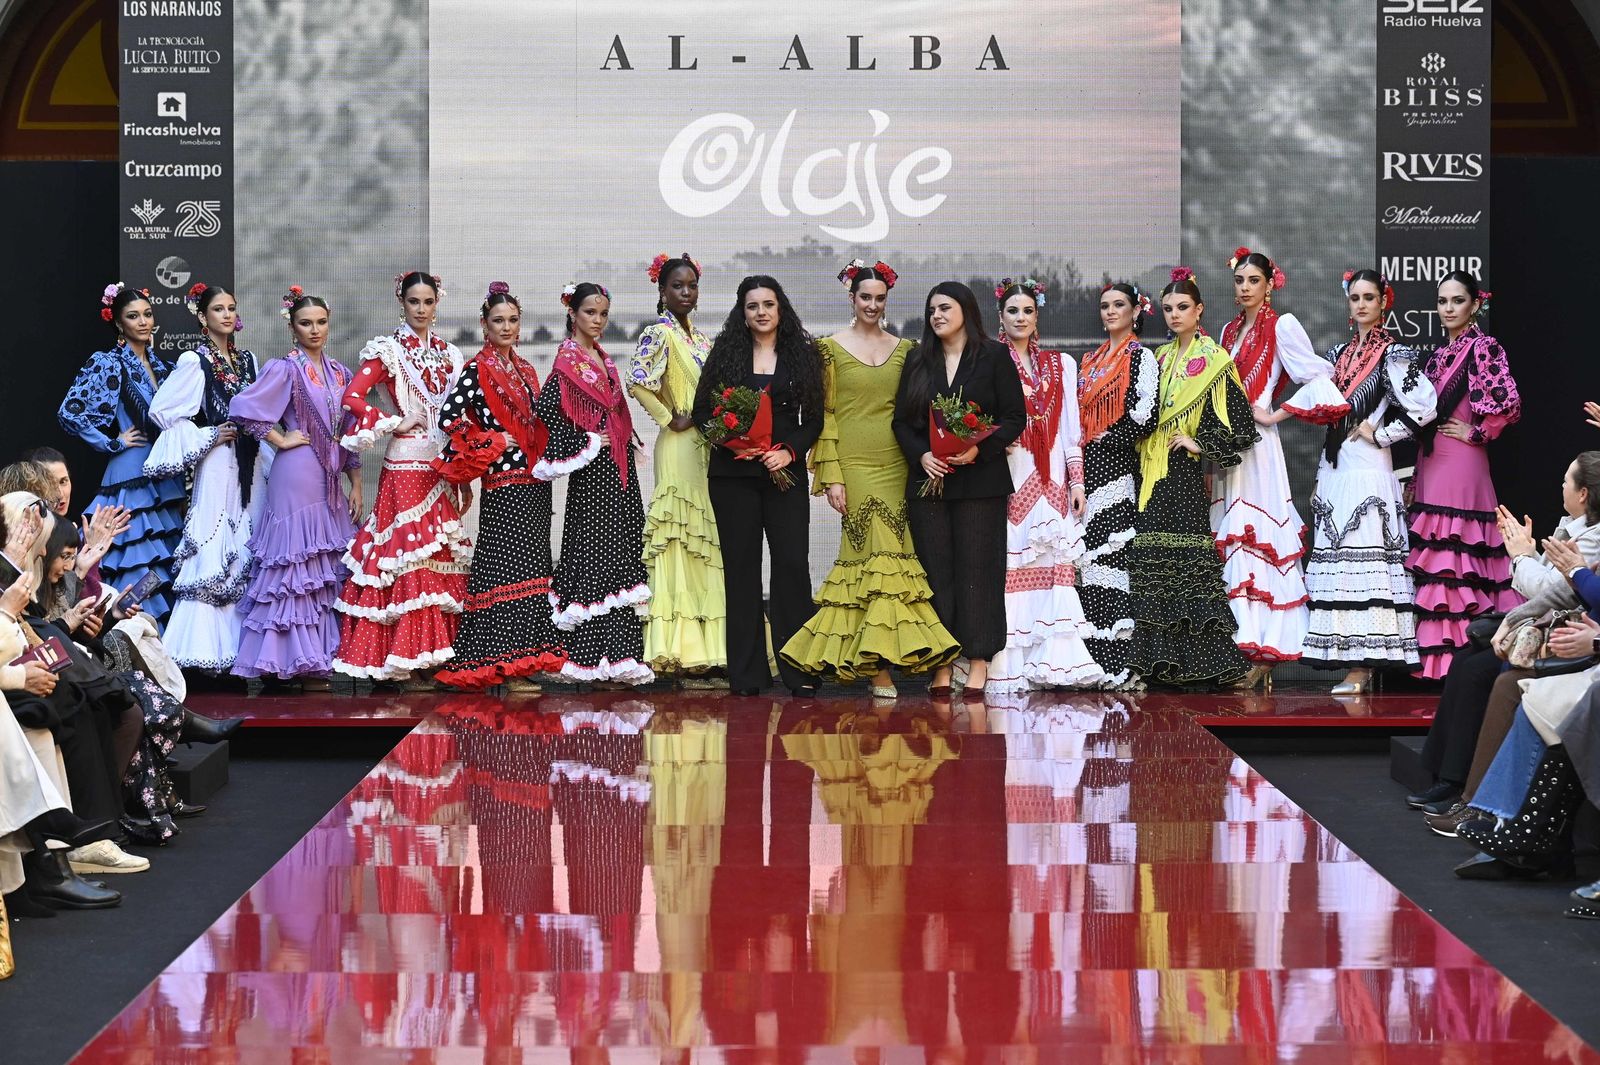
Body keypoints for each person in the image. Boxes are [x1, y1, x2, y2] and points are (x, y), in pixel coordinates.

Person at [781, 260, 957, 696]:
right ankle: (877, 669)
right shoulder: (829, 350)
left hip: (899, 464)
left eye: (880, 298)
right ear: (851, 298)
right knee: (872, 561)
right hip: (854, 466)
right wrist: (833, 474)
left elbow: (917, 411)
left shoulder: (907, 349)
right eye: (865, 298)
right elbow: (824, 415)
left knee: (897, 562)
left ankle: (899, 660)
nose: (873, 305)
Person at [1409, 453, 1600, 826]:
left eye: (1566, 482)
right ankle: (1449, 778)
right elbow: (1550, 590)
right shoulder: (1575, 526)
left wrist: (1520, 559)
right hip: (1557, 627)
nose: (1560, 487)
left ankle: (1474, 798)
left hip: (1567, 635)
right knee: (1467, 660)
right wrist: (1527, 563)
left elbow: (1553, 591)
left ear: (1584, 493)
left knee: (1495, 678)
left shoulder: (1592, 538)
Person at [1283, 270, 1438, 692]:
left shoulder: (1394, 354)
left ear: (1384, 301)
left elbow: (1424, 408)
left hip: (1370, 470)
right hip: (1337, 468)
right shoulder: (1337, 354)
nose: (1362, 304)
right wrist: (1320, 473)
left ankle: (1364, 666)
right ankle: (1347, 657)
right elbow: (1328, 413)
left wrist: (1382, 433)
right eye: (1356, 297)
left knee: (1366, 559)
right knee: (1340, 560)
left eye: (1370, 297)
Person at [891, 279, 1043, 695]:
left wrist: (981, 450)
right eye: (931, 310)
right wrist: (921, 455)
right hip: (931, 481)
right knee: (936, 573)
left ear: (965, 311)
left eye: (944, 308)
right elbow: (902, 422)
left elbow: (1014, 416)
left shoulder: (993, 356)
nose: (936, 316)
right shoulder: (918, 358)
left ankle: (978, 664)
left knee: (979, 572)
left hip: (980, 482)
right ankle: (940, 665)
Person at [334, 271, 471, 685]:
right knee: (408, 555)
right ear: (402, 302)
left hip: (441, 466)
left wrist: (465, 461)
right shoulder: (387, 350)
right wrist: (393, 420)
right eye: (414, 302)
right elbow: (351, 397)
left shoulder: (450, 353)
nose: (422, 310)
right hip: (406, 464)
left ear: (437, 302)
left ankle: (433, 657)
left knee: (437, 555)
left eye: (428, 302)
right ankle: (406, 659)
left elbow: (458, 412)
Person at [691, 276, 824, 695]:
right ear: (742, 313)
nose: (761, 312)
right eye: (752, 306)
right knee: (742, 572)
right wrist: (735, 443)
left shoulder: (803, 354)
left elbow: (815, 419)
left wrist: (789, 451)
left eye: (768, 304)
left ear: (780, 308)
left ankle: (799, 670)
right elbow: (702, 413)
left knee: (791, 568)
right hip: (733, 478)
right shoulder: (725, 354)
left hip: (783, 474)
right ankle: (747, 675)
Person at [432, 283, 566, 691]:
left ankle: (524, 661)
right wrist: (491, 441)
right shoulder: (477, 369)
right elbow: (450, 418)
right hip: (504, 481)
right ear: (484, 325)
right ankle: (501, 661)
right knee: (503, 566)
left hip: (534, 479)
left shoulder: (526, 370)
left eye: (512, 320)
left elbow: (539, 422)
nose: (506, 327)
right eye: (498, 321)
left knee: (533, 568)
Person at [1128, 269, 1259, 687]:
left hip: (1183, 474)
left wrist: (1198, 441)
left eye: (1182, 307)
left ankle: (1201, 667)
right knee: (1153, 565)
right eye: (1167, 309)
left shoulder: (1215, 359)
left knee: (1187, 566)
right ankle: (1160, 665)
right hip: (1151, 473)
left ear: (1199, 310)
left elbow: (1240, 422)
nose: (1173, 315)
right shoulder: (1160, 358)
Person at [228, 288, 362, 687]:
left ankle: (317, 661)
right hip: (297, 475)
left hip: (332, 479)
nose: (315, 329)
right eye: (306, 323)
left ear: (329, 320)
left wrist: (356, 483)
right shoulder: (285, 368)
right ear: (293, 327)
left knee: (325, 569)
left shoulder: (341, 372)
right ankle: (287, 663)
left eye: (321, 322)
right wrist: (281, 438)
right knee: (295, 568)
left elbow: (351, 434)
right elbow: (243, 408)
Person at [1213, 248, 1330, 684]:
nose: (1244, 288)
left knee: (1258, 541)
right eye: (1239, 280)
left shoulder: (1282, 325)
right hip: (1227, 447)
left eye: (1252, 281)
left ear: (1269, 284)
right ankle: (1244, 650)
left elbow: (1317, 376)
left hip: (1259, 446)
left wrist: (1276, 413)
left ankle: (1263, 657)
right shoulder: (1228, 331)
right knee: (1233, 543)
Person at [533, 283, 652, 686]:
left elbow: (615, 411)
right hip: (594, 473)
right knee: (594, 552)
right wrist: (586, 441)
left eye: (602, 314)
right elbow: (546, 412)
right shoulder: (567, 363)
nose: (597, 321)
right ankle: (589, 655)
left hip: (616, 470)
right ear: (572, 314)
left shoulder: (601, 359)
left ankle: (619, 654)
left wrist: (621, 438)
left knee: (618, 550)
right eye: (589, 313)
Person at [142, 284, 265, 670]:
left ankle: (245, 654)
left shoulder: (248, 360)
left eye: (231, 308)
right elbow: (163, 412)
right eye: (218, 309)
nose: (227, 315)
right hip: (216, 463)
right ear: (202, 316)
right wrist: (209, 434)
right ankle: (203, 652)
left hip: (251, 462)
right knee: (213, 542)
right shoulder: (194, 360)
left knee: (249, 539)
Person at [1407, 271, 1522, 679]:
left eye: (1457, 301)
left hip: (1463, 461)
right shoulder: (1439, 356)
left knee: (1460, 556)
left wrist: (1476, 432)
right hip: (1433, 460)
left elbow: (1507, 404)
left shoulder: (1484, 348)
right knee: (1439, 559)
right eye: (1442, 301)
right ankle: (1441, 665)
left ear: (1475, 304)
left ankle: (1467, 665)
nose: (1449, 308)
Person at [57, 283, 185, 623]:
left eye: (147, 314)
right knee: (135, 559)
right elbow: (70, 411)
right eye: (133, 316)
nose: (143, 322)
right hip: (130, 474)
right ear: (118, 323)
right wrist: (113, 442)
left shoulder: (164, 365)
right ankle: (129, 642)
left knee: (162, 560)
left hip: (164, 474)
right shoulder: (109, 362)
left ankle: (162, 652)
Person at [628, 253, 726, 681]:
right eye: (677, 286)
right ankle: (678, 649)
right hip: (679, 445)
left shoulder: (702, 340)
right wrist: (670, 418)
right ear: (662, 291)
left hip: (706, 447)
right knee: (680, 536)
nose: (686, 293)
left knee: (705, 537)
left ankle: (710, 649)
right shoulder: (657, 333)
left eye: (691, 286)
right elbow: (637, 381)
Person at [1076, 283, 1160, 688]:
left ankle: (1119, 664)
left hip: (1115, 467)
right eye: (1105, 306)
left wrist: (1103, 436)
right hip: (1084, 471)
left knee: (1112, 561)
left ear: (1135, 311)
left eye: (1119, 305)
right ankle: (1095, 661)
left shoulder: (1141, 357)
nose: (1110, 312)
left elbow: (1144, 416)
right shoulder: (1090, 360)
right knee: (1089, 562)